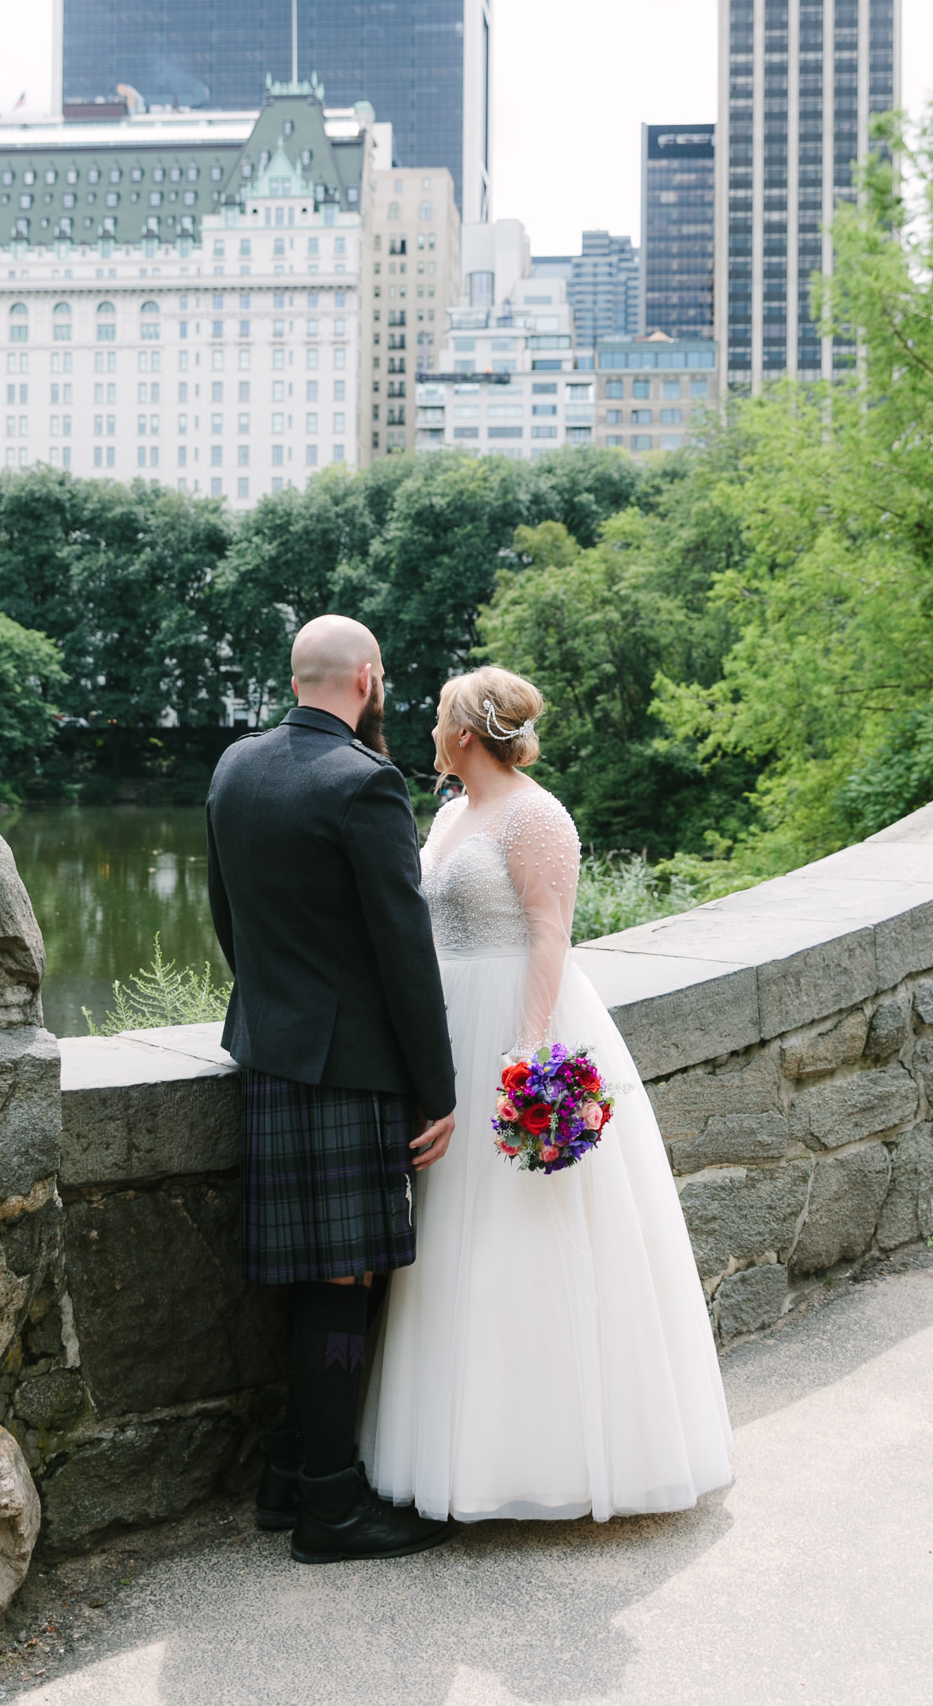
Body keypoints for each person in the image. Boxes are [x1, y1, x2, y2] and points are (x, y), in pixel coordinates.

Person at [361, 665, 732, 1522]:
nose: (429, 735)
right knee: (452, 1236)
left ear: (462, 733)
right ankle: (461, 1452)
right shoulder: (452, 812)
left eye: (438, 721)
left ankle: (550, 1460)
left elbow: (550, 933)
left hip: (513, 1023)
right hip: (446, 1023)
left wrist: (526, 1054)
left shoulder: (537, 815)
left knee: (524, 1237)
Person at [206, 614, 457, 1565]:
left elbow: (225, 916)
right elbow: (405, 951)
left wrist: (275, 1011)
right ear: (367, 678)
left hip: (271, 1052)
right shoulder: (366, 782)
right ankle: (332, 1506)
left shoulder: (236, 766)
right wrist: (436, 1087)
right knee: (342, 1292)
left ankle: (285, 1472)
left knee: (320, 1285)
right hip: (349, 1073)